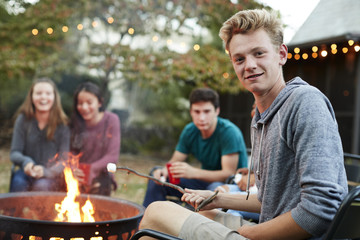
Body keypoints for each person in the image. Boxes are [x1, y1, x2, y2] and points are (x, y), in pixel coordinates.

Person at [138, 9, 348, 240]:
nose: (249, 65)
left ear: (281, 54)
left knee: (157, 211)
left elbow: (319, 209)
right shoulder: (261, 117)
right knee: (203, 214)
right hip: (267, 228)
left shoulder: (305, 102)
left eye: (258, 53)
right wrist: (215, 198)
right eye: (239, 58)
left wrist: (250, 233)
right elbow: (270, 200)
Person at [142, 87, 248, 207]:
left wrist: (193, 172)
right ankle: (148, 220)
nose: (201, 118)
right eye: (197, 112)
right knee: (156, 177)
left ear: (217, 111)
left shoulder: (229, 132)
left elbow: (228, 174)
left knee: (214, 189)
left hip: (231, 186)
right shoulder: (190, 130)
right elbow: (174, 161)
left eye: (207, 111)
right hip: (203, 183)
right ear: (191, 112)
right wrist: (164, 171)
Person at [10, 77, 70, 192]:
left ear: (54, 97)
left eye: (48, 93)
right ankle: (13, 211)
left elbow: (64, 160)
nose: (43, 97)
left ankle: (41, 211)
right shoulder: (23, 120)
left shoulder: (62, 125)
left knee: (41, 186)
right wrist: (26, 163)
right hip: (26, 172)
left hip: (51, 175)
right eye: (38, 93)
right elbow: (14, 152)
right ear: (31, 97)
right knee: (18, 183)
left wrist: (46, 171)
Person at [70, 82, 120, 196]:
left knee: (100, 188)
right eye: (80, 103)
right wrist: (73, 168)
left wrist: (91, 169)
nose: (84, 107)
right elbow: (70, 151)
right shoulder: (75, 122)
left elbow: (112, 156)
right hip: (78, 172)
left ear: (100, 102)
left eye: (89, 102)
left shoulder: (111, 120)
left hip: (101, 173)